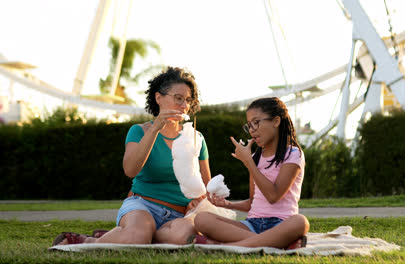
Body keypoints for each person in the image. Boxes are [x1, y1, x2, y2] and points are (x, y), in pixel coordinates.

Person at [53, 66, 211, 246]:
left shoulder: (196, 138)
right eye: (178, 98)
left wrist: (198, 202)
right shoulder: (139, 131)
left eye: (188, 100)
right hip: (143, 206)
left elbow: (206, 188)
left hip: (180, 215)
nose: (184, 106)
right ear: (159, 98)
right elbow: (130, 170)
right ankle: (87, 240)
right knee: (137, 236)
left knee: (183, 239)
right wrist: (155, 128)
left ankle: (129, 235)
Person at [191, 97, 309, 249]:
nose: (252, 129)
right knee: (202, 219)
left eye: (256, 122)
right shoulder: (255, 158)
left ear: (276, 121)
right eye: (249, 125)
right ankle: (277, 243)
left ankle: (226, 246)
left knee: (300, 222)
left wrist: (249, 163)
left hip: (282, 223)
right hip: (252, 225)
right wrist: (228, 205)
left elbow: (273, 196)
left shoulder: (293, 154)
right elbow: (253, 202)